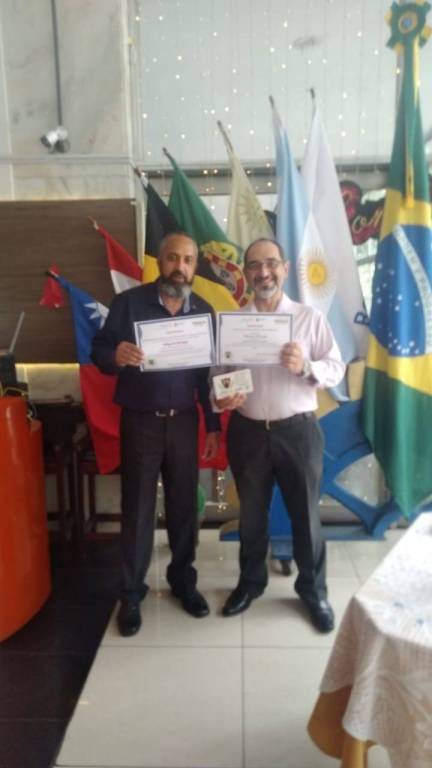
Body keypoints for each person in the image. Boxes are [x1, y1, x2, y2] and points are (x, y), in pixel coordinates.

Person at [91, 232, 220, 636]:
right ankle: (131, 594)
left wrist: (213, 424)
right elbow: (98, 351)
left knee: (184, 507)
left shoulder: (204, 311)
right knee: (138, 510)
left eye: (188, 260)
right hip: (141, 422)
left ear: (194, 267)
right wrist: (115, 355)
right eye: (172, 258)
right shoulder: (128, 304)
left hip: (184, 421)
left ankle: (183, 582)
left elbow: (206, 376)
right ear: (160, 262)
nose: (180, 267)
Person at [214, 238, 345, 633]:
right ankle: (250, 583)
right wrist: (221, 397)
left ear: (285, 269)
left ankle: (313, 591)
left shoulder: (309, 318)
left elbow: (336, 368)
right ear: (246, 273)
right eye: (255, 265)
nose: (264, 272)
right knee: (251, 515)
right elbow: (217, 376)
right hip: (248, 431)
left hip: (298, 431)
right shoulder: (233, 323)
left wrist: (306, 366)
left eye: (271, 263)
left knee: (306, 516)